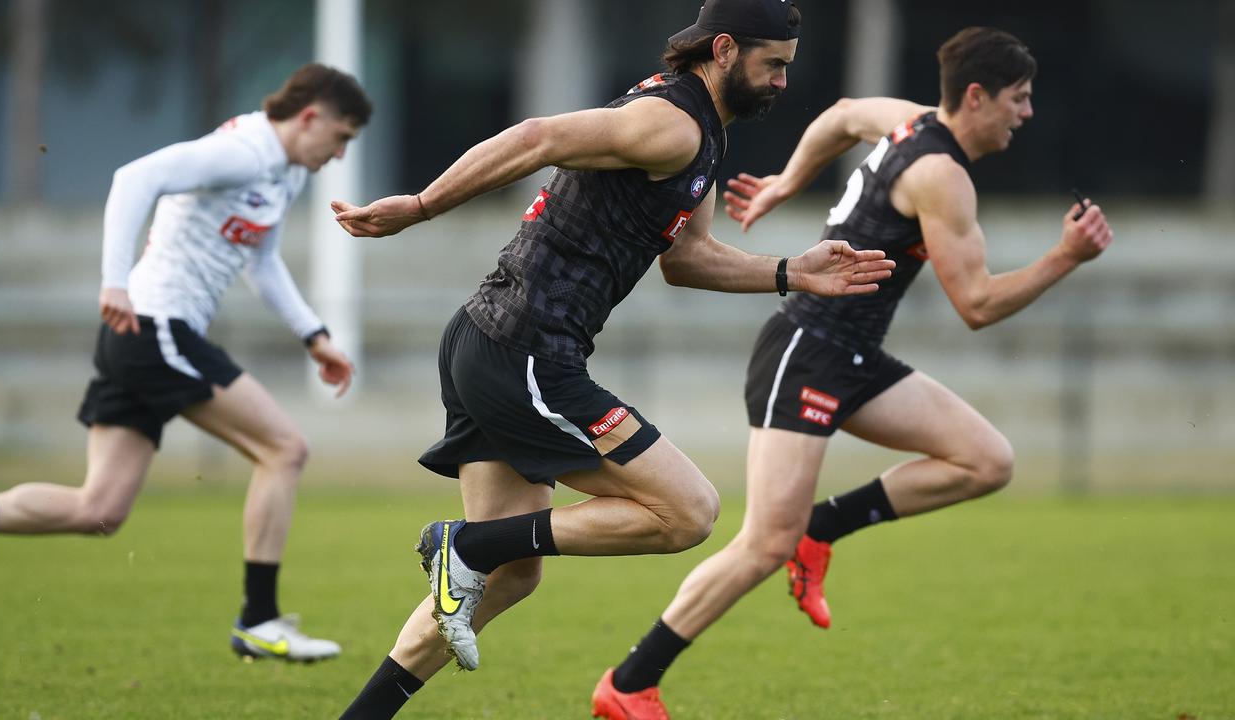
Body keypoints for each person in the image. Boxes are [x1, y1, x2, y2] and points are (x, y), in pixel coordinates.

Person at [330, 1, 896, 716]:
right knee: (689, 512)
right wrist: (420, 205)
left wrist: (793, 271)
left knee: (509, 575)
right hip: (524, 349)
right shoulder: (670, 123)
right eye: (772, 64)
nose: (783, 80)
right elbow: (538, 136)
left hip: (496, 342)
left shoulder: (703, 136)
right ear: (724, 49)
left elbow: (687, 260)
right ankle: (466, 544)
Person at [592, 26, 1114, 718]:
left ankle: (823, 528)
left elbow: (841, 115)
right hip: (806, 351)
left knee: (986, 460)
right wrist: (1065, 257)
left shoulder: (908, 121)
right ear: (978, 96)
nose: (1028, 113)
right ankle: (629, 684)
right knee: (762, 544)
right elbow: (978, 305)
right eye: (1018, 99)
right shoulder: (943, 175)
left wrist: (786, 183)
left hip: (855, 356)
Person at [0, 63, 372, 662]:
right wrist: (113, 281)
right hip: (153, 327)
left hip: (145, 337)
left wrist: (314, 335)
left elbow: (261, 262)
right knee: (285, 449)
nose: (338, 154)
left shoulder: (284, 173)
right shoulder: (245, 151)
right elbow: (134, 177)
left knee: (97, 510)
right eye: (341, 137)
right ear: (310, 117)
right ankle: (258, 620)